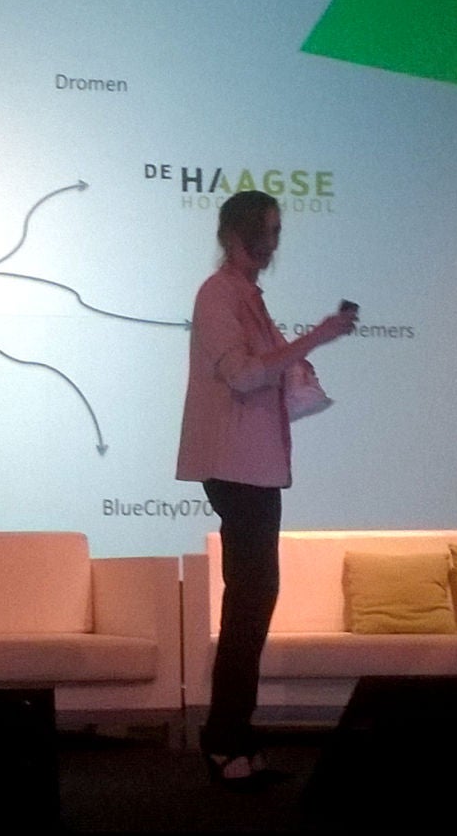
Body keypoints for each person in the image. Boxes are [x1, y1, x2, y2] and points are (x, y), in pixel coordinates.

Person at [176, 190, 356, 787]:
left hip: (254, 466)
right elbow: (245, 374)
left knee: (253, 605)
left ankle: (235, 737)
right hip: (235, 466)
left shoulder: (247, 295)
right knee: (249, 605)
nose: (272, 244)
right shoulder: (218, 294)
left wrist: (297, 366)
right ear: (234, 233)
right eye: (264, 232)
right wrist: (315, 338)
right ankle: (223, 740)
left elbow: (264, 370)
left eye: (276, 232)